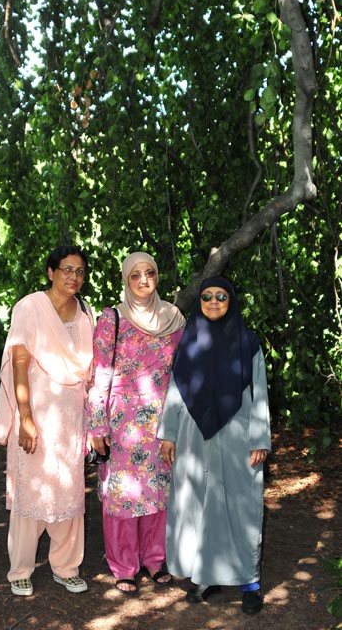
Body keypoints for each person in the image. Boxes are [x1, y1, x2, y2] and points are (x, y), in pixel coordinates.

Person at [158, 275, 271, 615]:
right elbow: (175, 390)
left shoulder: (247, 342)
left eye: (221, 296)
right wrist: (168, 433)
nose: (213, 302)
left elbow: (260, 391)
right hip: (192, 436)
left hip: (237, 435)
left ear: (231, 301)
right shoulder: (189, 341)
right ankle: (206, 575)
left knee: (239, 505)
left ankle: (249, 582)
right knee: (198, 504)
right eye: (207, 296)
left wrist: (259, 438)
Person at [0, 245, 94, 597]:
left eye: (79, 271)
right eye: (67, 269)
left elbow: (90, 370)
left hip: (71, 416)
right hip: (36, 410)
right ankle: (20, 569)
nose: (73, 277)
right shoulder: (30, 306)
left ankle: (66, 567)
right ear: (51, 272)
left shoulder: (85, 312)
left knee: (69, 488)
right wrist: (25, 417)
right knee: (31, 488)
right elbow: (19, 362)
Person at [87, 252, 185, 594]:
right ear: (126, 280)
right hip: (122, 423)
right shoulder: (112, 318)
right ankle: (124, 565)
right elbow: (100, 374)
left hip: (163, 419)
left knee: (159, 492)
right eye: (135, 275)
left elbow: (183, 371)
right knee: (123, 495)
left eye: (150, 273)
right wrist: (97, 425)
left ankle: (155, 560)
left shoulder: (174, 318)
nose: (144, 280)